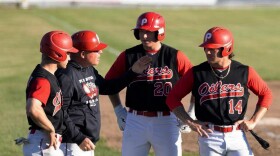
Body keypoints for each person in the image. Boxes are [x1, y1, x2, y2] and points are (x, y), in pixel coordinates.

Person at [166, 26, 273, 156]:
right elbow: (172, 98)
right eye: (206, 48)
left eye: (212, 49)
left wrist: (253, 121)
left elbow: (266, 93)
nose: (207, 52)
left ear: (226, 49)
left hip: (237, 135)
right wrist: (190, 121)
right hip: (209, 136)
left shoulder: (244, 71)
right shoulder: (196, 73)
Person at [105, 12, 193, 156]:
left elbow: (196, 83)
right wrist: (118, 110)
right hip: (135, 121)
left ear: (160, 32)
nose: (144, 36)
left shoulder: (175, 56)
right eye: (141, 31)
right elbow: (109, 84)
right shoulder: (128, 56)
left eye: (149, 32)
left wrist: (190, 113)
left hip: (167, 120)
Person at [55, 30, 152, 156]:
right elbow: (60, 112)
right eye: (96, 50)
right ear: (83, 54)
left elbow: (108, 88)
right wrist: (78, 138)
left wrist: (132, 72)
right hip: (72, 144)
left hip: (85, 142)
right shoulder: (67, 76)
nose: (100, 52)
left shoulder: (88, 69)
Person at [23, 30, 79, 156]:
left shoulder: (48, 75)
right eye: (68, 53)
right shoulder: (43, 79)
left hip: (44, 142)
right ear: (58, 54)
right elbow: (33, 108)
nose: (70, 57)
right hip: (43, 143)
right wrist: (50, 128)